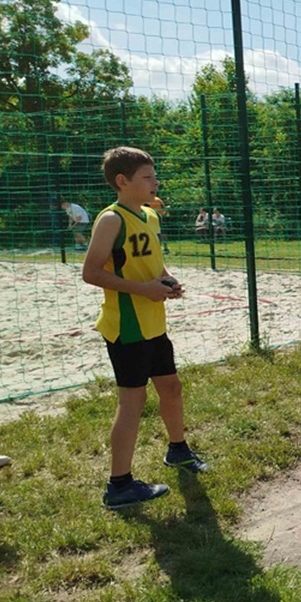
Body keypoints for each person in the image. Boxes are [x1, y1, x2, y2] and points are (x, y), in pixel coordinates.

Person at [82, 146, 208, 511]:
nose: (155, 182)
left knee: (171, 386)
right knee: (132, 403)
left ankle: (178, 451)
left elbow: (153, 264)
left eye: (154, 175)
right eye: (147, 177)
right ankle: (119, 485)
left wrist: (167, 282)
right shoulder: (111, 219)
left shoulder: (149, 216)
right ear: (123, 182)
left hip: (153, 323)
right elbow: (91, 273)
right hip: (127, 327)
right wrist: (145, 290)